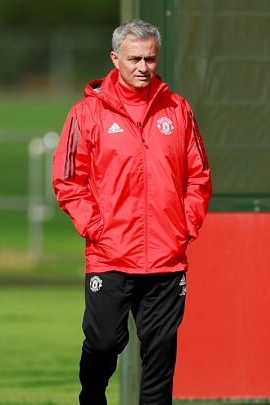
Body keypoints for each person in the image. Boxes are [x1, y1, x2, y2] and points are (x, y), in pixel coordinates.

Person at [53, 19, 212, 404]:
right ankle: (91, 396)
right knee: (104, 343)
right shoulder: (86, 114)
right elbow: (68, 181)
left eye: (150, 59)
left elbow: (199, 176)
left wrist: (184, 225)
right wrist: (96, 227)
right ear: (115, 59)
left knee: (160, 353)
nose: (143, 67)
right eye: (135, 58)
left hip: (166, 259)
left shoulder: (178, 110)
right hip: (110, 255)